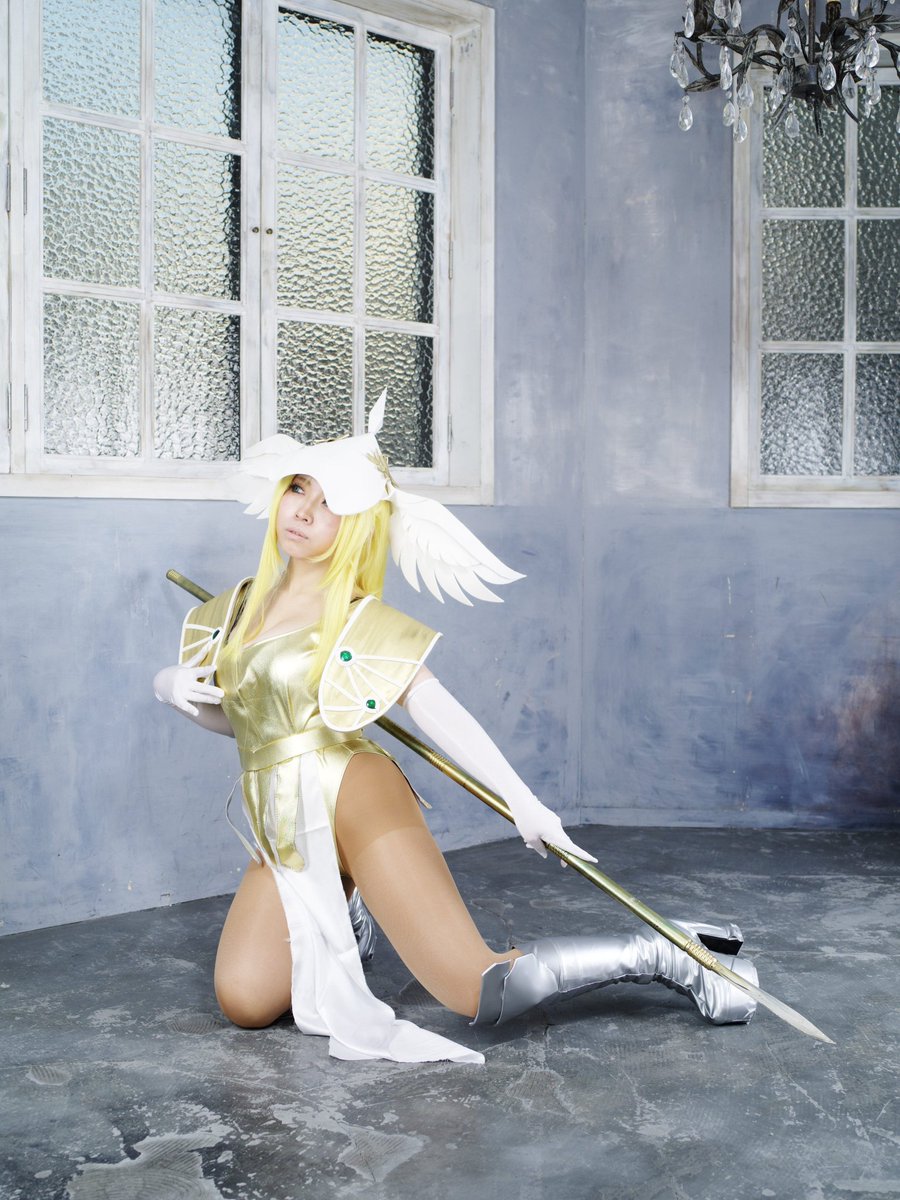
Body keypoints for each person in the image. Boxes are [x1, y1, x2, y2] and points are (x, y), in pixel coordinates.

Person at [154, 395, 758, 1065]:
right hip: (285, 816)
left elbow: (434, 708)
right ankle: (350, 908)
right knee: (244, 1000)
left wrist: (522, 801)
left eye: (329, 503)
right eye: (299, 488)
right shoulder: (237, 607)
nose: (302, 511)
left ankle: (673, 953)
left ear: (356, 525)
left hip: (352, 794)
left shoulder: (355, 618)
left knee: (477, 987)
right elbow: (253, 729)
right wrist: (172, 688)